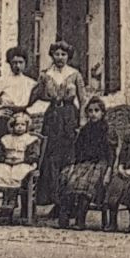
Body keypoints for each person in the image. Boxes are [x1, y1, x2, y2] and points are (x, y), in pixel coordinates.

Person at [30, 41, 86, 212]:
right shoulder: (46, 74)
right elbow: (35, 96)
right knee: (51, 158)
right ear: (52, 55)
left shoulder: (75, 74)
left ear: (68, 56)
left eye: (63, 54)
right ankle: (55, 200)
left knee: (69, 156)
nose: (60, 57)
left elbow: (83, 100)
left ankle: (68, 203)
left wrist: (82, 120)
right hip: (53, 117)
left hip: (69, 117)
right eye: (57, 54)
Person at [58, 97, 114, 230]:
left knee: (86, 183)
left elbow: (111, 154)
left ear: (102, 113)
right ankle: (64, 216)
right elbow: (77, 150)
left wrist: (109, 171)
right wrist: (73, 165)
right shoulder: (84, 130)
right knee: (69, 178)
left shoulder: (107, 130)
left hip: (100, 163)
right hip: (84, 163)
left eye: (97, 111)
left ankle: (80, 219)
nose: (93, 114)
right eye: (90, 111)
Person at [0, 47, 42, 142]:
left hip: (23, 119)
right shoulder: (2, 81)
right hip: (5, 119)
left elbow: (37, 103)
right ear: (9, 63)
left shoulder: (31, 83)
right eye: (14, 62)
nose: (17, 66)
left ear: (25, 63)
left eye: (20, 62)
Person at [0, 109, 41, 223]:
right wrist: (3, 158)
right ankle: (6, 204)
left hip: (23, 164)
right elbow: (0, 153)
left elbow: (34, 155)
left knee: (17, 173)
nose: (20, 127)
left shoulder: (30, 139)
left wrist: (24, 159)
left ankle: (12, 202)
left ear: (27, 126)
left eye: (23, 125)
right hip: (8, 163)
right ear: (12, 126)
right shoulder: (6, 139)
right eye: (17, 124)